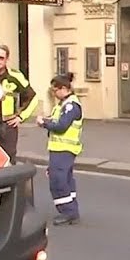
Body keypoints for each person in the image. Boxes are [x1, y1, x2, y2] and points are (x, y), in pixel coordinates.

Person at [36, 74, 82, 226]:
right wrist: (48, 121)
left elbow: (61, 126)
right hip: (60, 149)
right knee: (66, 180)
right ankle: (71, 210)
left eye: (55, 90)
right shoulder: (64, 104)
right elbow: (57, 121)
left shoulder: (71, 105)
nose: (53, 93)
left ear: (64, 89)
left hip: (64, 149)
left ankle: (67, 211)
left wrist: (44, 124)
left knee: (58, 180)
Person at [0, 44, 40, 163]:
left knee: (9, 160)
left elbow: (33, 97)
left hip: (8, 126)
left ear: (7, 59)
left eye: (1, 58)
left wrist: (21, 117)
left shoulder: (15, 76)